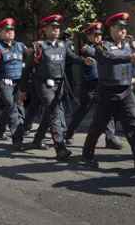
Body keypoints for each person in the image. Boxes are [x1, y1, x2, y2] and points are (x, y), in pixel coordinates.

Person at [81, 12, 135, 173]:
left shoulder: (128, 44)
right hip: (107, 92)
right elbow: (109, 57)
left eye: (124, 28)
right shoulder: (103, 45)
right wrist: (130, 57)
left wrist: (134, 74)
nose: (123, 31)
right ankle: (87, 156)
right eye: (119, 28)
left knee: (134, 127)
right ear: (111, 29)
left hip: (126, 92)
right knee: (98, 126)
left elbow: (132, 62)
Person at [23, 14, 93, 161]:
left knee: (50, 113)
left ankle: (37, 140)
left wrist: (83, 60)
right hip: (43, 84)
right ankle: (60, 148)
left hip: (59, 84)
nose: (56, 30)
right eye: (52, 27)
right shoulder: (38, 46)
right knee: (54, 112)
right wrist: (23, 89)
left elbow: (72, 57)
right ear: (45, 29)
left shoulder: (62, 45)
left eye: (57, 28)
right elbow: (28, 68)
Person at [64, 22, 121, 148]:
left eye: (99, 34)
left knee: (108, 110)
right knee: (83, 110)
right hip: (89, 86)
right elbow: (100, 55)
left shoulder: (105, 46)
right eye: (95, 35)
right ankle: (69, 133)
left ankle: (110, 138)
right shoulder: (86, 48)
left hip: (103, 84)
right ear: (88, 36)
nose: (98, 37)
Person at [0, 18, 28, 150]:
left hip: (19, 82)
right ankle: (17, 140)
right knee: (12, 107)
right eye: (7, 30)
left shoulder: (21, 46)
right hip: (4, 82)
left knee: (12, 107)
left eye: (12, 30)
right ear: (0, 33)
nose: (10, 32)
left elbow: (30, 61)